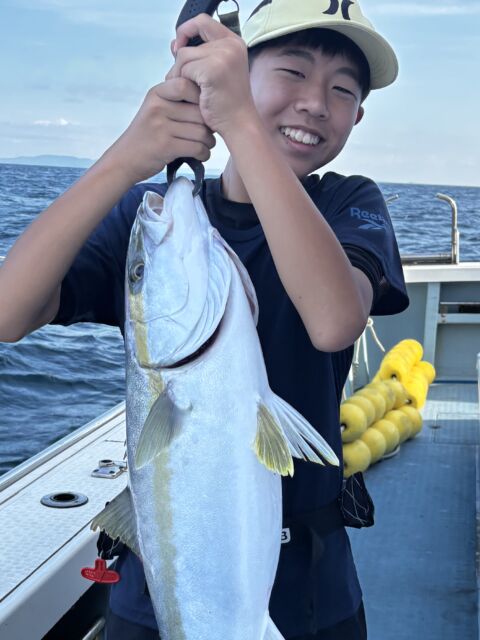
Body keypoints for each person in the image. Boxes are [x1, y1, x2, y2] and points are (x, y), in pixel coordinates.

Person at [0, 0, 409, 637]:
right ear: (235, 76)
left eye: (342, 90)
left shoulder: (347, 203)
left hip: (309, 584)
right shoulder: (153, 217)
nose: (314, 103)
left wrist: (241, 123)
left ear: (357, 115)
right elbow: (8, 313)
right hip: (163, 583)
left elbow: (333, 321)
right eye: (292, 71)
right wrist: (124, 160)